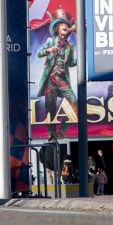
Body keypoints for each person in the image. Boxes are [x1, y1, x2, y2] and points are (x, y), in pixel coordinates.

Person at [36, 10, 77, 139]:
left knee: (74, 103)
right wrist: (49, 50)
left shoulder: (70, 46)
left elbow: (71, 63)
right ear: (57, 28)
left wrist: (81, 59)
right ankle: (51, 134)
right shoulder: (50, 40)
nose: (64, 26)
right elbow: (39, 54)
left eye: (66, 24)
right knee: (50, 108)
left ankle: (62, 131)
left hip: (63, 80)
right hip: (51, 80)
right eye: (61, 25)